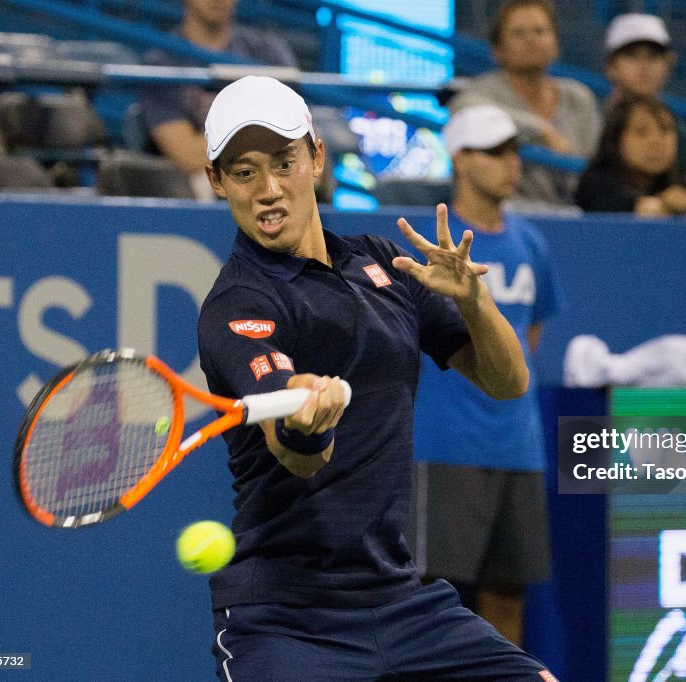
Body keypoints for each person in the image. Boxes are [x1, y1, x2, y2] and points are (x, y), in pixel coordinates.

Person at [196, 75, 559, 681]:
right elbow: (294, 451)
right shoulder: (238, 305)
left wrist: (475, 300)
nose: (268, 190)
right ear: (216, 181)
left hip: (403, 602)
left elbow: (507, 382)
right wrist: (308, 421)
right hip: (286, 618)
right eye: (243, 172)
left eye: (284, 162)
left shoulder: (383, 263)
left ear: (316, 156)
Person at [406, 105, 562, 648]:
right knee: (431, 600)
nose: (510, 164)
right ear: (461, 160)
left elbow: (526, 342)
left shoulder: (532, 247)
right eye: (494, 152)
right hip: (445, 446)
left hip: (520, 450)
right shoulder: (431, 250)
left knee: (507, 599)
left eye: (513, 151)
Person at [138, 0, 299, 199]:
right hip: (200, 186)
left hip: (270, 172)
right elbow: (185, 154)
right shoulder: (162, 62)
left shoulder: (268, 54)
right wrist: (263, 140)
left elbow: (295, 137)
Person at [447, 0, 601, 206]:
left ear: (556, 44)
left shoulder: (579, 97)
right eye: (518, 33)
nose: (531, 40)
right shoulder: (481, 92)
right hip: (508, 211)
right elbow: (464, 108)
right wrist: (540, 131)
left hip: (577, 213)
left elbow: (597, 163)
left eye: (540, 31)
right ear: (497, 48)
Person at [575, 94, 686, 217]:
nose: (656, 142)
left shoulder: (676, 182)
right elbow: (641, 209)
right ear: (615, 141)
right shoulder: (595, 181)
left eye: (665, 130)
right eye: (641, 132)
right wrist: (669, 204)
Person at [602, 13, 686, 181]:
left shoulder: (684, 139)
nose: (644, 66)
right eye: (632, 55)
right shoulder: (589, 120)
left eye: (653, 56)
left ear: (669, 65)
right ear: (611, 66)